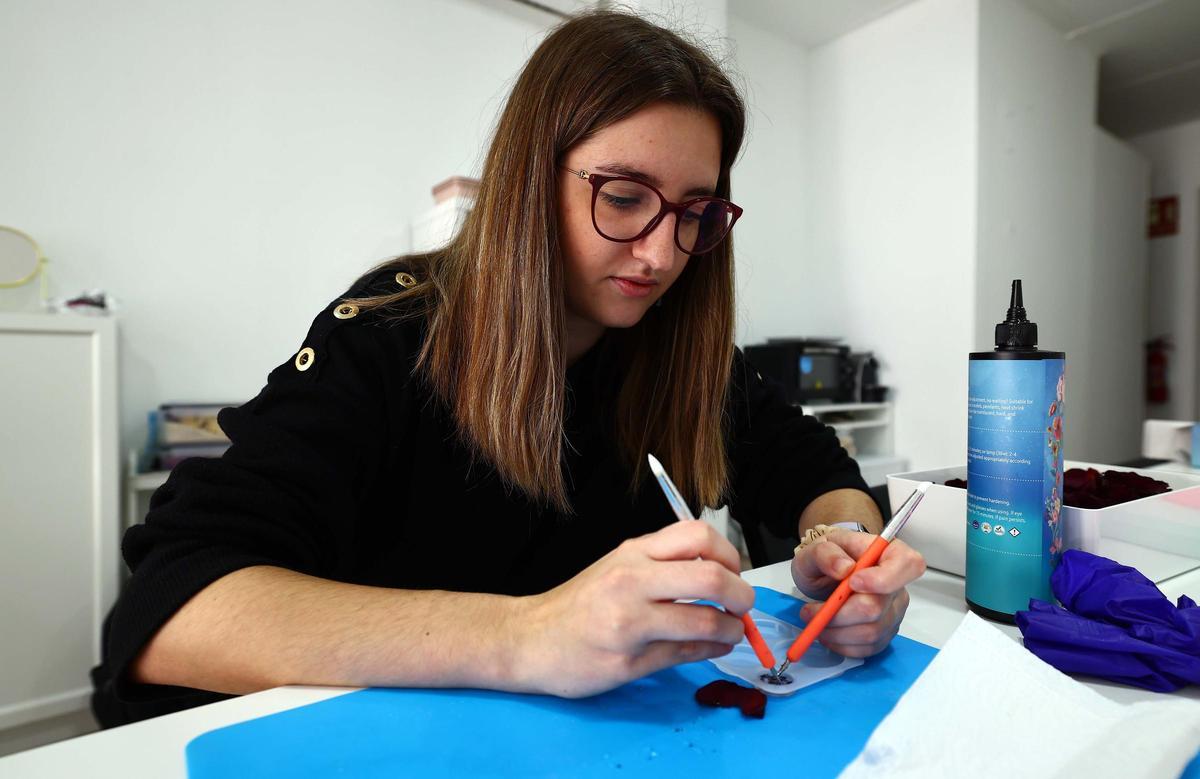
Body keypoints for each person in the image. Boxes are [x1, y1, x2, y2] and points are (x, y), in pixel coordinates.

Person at [90, 9, 925, 728]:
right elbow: (172, 612)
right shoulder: (389, 335)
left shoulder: (674, 347)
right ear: (532, 181)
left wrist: (841, 548)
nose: (663, 252)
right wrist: (531, 635)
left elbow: (816, 469)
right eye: (625, 196)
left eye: (695, 212)